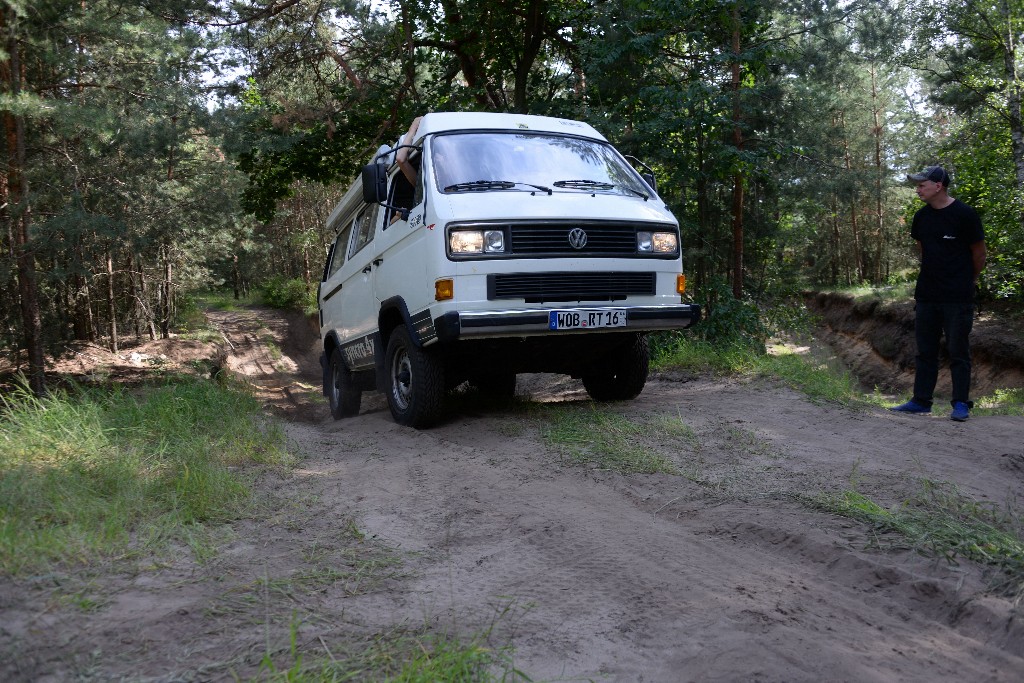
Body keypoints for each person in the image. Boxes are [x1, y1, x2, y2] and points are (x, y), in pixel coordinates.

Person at [891, 165, 986, 421]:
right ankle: (921, 401)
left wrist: (968, 280)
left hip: (958, 297)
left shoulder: (965, 214)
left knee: (958, 351)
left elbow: (979, 253)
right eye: (917, 185)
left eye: (922, 185)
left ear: (938, 186)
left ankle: (960, 404)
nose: (918, 189)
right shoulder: (921, 217)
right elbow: (924, 250)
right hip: (927, 296)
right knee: (925, 351)